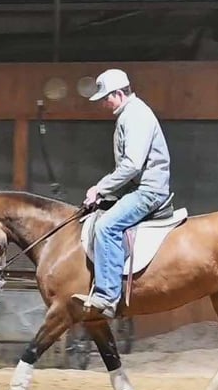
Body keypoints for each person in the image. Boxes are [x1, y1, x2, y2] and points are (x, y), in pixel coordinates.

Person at [72, 69, 171, 319]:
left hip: (148, 191)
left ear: (118, 93)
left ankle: (107, 296)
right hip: (135, 188)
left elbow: (132, 165)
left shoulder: (135, 115)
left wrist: (100, 188)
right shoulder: (128, 114)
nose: (105, 104)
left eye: (106, 98)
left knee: (106, 226)